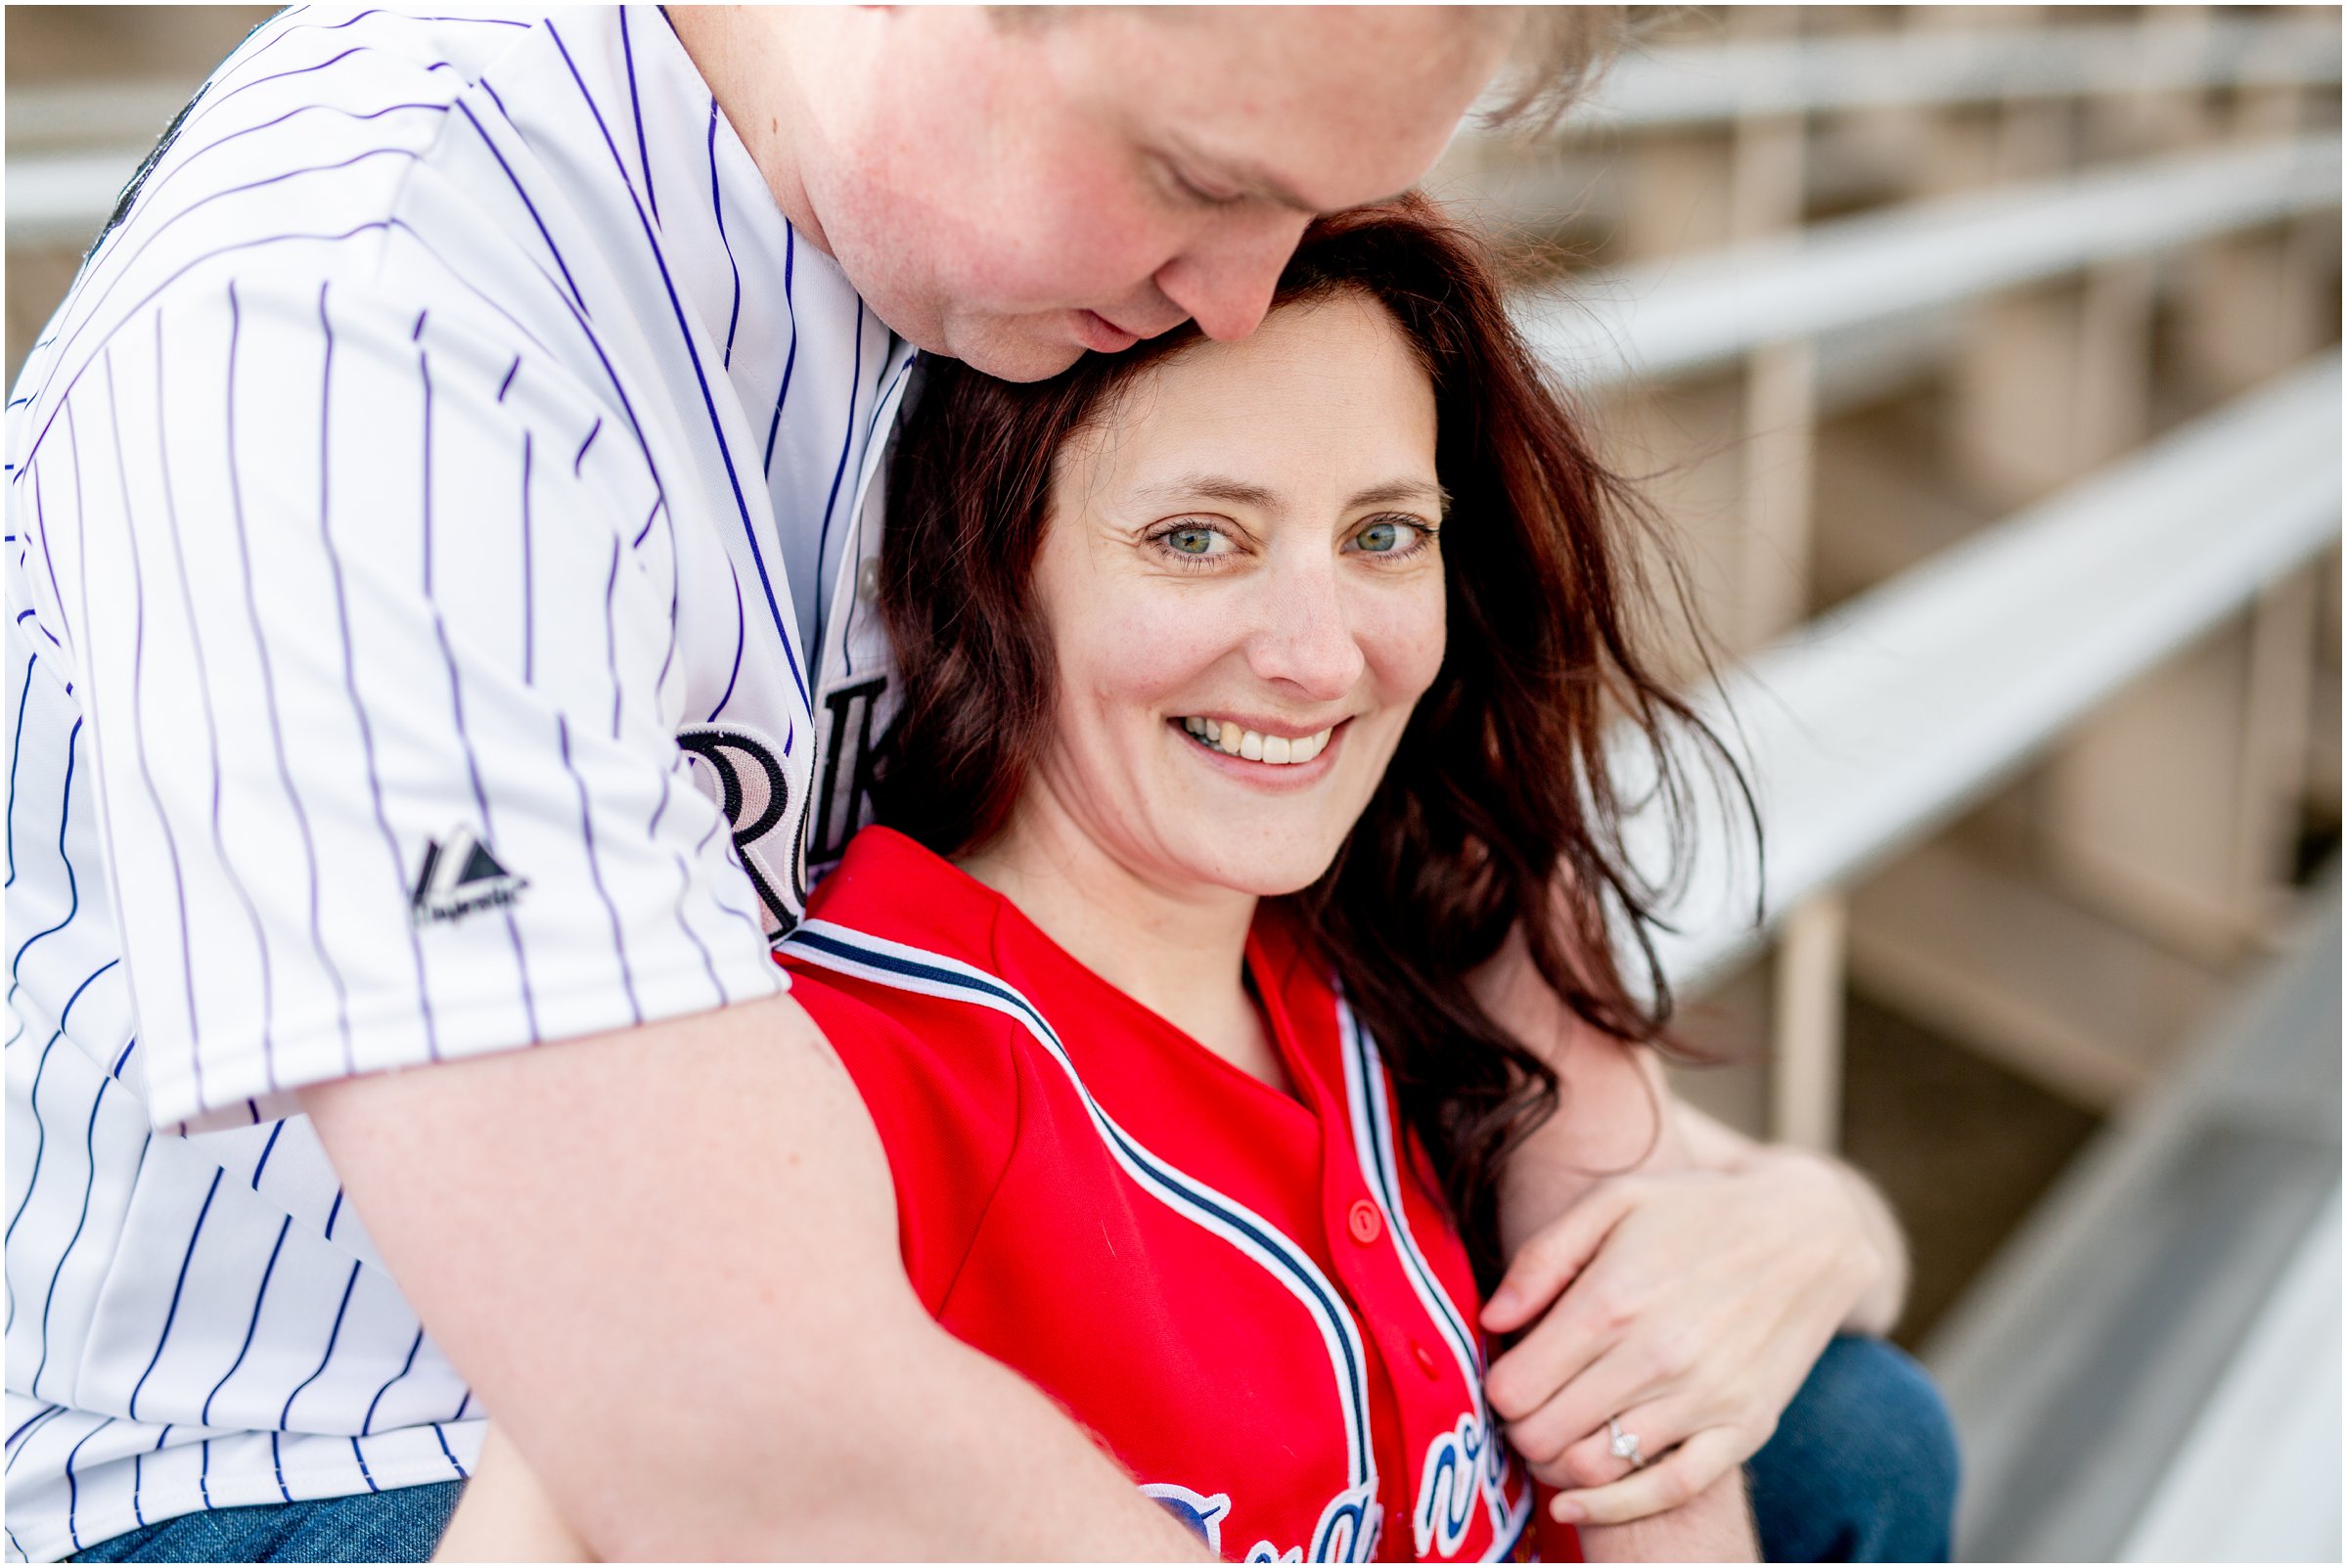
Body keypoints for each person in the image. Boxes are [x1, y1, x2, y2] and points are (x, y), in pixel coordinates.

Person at [3, 6, 1951, 1562]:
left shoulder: (1034, 243)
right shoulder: (351, 312)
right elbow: (740, 1441)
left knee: (1834, 1440)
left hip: (906, 1292)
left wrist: (1719, 1269)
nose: (1241, 298)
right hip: (312, 1454)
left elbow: (1433, 853)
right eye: (1201, 180)